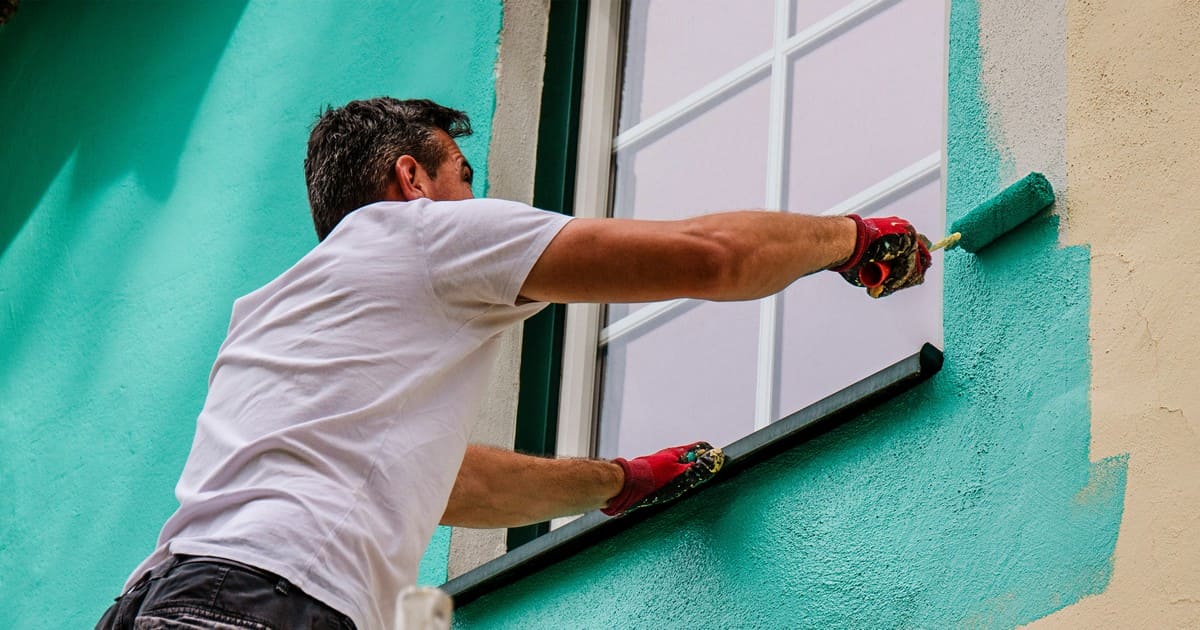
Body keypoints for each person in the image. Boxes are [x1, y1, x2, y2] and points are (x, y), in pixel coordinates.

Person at [97, 98, 931, 630]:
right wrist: (850, 239)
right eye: (464, 176)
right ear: (412, 178)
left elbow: (448, 483)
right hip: (266, 600)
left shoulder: (277, 311)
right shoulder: (422, 234)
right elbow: (708, 256)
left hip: (167, 601)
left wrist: (618, 481)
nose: (477, 201)